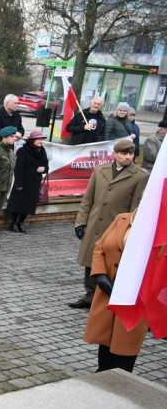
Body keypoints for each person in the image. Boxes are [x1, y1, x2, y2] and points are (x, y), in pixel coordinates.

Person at [69, 139, 148, 309]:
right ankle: (89, 296)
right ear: (115, 154)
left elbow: (135, 207)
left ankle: (106, 298)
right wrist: (81, 222)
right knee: (90, 261)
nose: (128, 157)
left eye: (130, 154)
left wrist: (128, 230)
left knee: (111, 264)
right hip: (95, 224)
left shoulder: (140, 175)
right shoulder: (100, 170)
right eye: (123, 154)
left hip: (116, 227)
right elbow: (88, 199)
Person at [83, 211, 149, 372]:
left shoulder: (158, 228)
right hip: (107, 292)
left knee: (123, 356)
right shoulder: (122, 218)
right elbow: (100, 246)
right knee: (104, 344)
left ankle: (119, 384)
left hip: (134, 298)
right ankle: (102, 377)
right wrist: (100, 275)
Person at [6, 129, 49, 233]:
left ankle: (21, 222)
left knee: (28, 204)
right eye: (38, 139)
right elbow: (18, 168)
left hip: (34, 183)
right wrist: (19, 184)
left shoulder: (42, 150)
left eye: (41, 139)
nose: (40, 141)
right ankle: (14, 223)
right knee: (18, 203)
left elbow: (46, 165)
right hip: (23, 182)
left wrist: (44, 169)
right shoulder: (23, 151)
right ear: (32, 140)